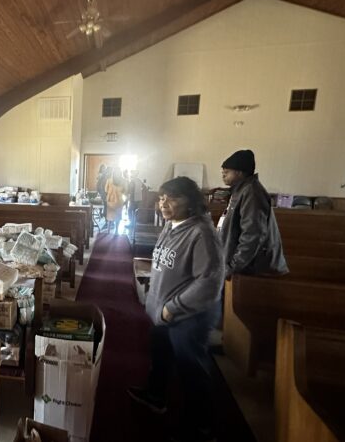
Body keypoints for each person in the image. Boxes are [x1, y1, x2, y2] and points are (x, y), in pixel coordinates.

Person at [128, 176, 224, 442]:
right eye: (161, 198)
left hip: (188, 316)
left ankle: (201, 429)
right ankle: (156, 397)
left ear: (191, 202)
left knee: (191, 370)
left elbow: (210, 281)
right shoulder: (171, 225)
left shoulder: (202, 233)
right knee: (160, 356)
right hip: (164, 311)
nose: (164, 204)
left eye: (173, 198)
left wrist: (172, 308)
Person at [218, 149, 288, 278]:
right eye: (222, 172)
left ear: (239, 173)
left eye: (226, 172)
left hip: (253, 268)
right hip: (244, 266)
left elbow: (252, 235)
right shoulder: (240, 191)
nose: (223, 175)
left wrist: (233, 266)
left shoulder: (252, 192)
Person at [105, 168, 125, 234]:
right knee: (118, 216)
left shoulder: (109, 180)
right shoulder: (123, 181)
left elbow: (105, 190)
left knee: (110, 216)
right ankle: (116, 231)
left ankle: (108, 231)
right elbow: (125, 190)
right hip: (119, 200)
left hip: (110, 200)